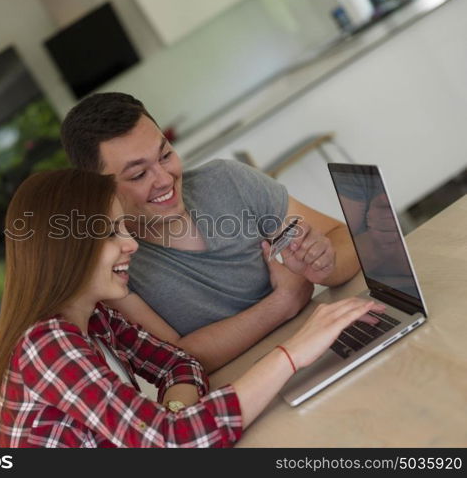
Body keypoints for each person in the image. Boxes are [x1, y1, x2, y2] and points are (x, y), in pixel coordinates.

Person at [0, 168, 384, 448]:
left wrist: (173, 416)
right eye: (109, 232)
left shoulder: (97, 317)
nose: (131, 244)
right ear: (64, 249)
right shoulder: (47, 344)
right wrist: (293, 354)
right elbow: (177, 444)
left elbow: (179, 364)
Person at [60, 92, 362, 372]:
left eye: (165, 155)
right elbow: (180, 359)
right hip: (249, 392)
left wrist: (323, 265)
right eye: (139, 174)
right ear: (98, 190)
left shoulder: (227, 181)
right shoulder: (114, 263)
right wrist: (284, 301)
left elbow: (347, 238)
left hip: (326, 351)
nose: (165, 179)